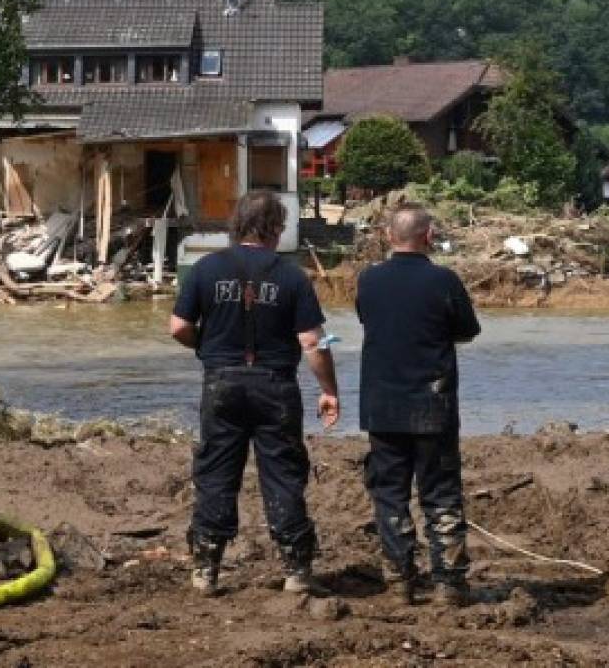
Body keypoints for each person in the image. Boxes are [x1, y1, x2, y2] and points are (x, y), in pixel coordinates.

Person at [170, 190, 340, 597]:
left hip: (222, 382)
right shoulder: (291, 276)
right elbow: (312, 343)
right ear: (276, 229)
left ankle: (206, 570)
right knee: (283, 474)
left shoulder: (205, 268)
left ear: (237, 224)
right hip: (275, 385)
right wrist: (329, 391)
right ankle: (296, 570)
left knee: (215, 473)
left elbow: (177, 326)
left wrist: (204, 346)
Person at [355, 204, 481, 605]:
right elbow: (467, 331)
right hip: (433, 403)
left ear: (389, 237)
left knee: (389, 494)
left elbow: (367, 319)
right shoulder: (443, 280)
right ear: (428, 236)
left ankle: (399, 582)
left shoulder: (369, 281)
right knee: (441, 494)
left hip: (383, 406)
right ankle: (447, 584)